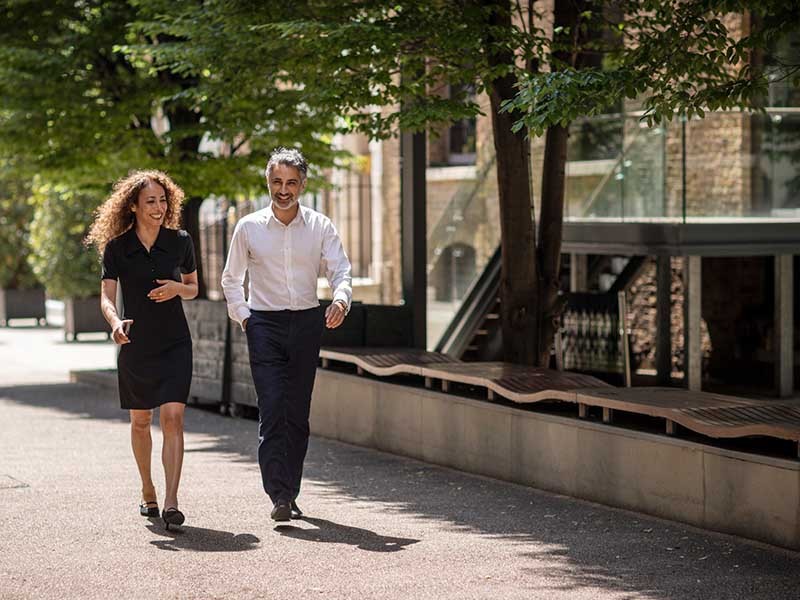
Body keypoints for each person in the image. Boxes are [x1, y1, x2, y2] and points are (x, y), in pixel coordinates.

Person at [221, 147, 352, 522]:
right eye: (277, 182)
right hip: (264, 323)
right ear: (268, 182)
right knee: (273, 407)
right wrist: (245, 318)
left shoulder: (320, 226)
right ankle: (278, 493)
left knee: (297, 413)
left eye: (291, 182)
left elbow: (340, 271)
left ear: (302, 184)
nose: (283, 190)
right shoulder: (248, 227)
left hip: (308, 323)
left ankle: (289, 490)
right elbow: (231, 280)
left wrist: (340, 301)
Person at [86, 170, 198, 530]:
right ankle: (147, 488)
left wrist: (176, 289)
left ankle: (171, 501)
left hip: (175, 342)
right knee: (140, 421)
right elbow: (106, 295)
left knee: (174, 419)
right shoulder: (117, 248)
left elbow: (194, 287)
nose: (159, 207)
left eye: (163, 200)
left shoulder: (180, 240)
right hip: (136, 344)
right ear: (133, 205)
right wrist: (115, 322)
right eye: (150, 201)